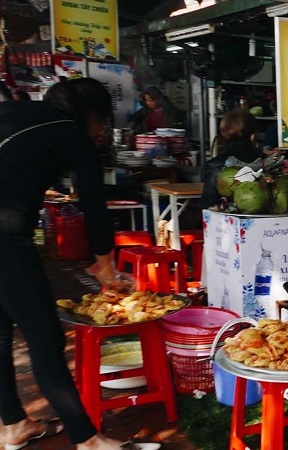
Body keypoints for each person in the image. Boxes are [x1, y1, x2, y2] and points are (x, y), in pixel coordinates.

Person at [0, 78, 158, 449]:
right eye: (104, 124)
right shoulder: (73, 135)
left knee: (1, 331)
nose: (103, 132)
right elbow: (95, 207)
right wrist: (105, 265)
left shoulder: (14, 111)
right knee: (46, 337)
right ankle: (89, 441)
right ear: (93, 116)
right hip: (5, 236)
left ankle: (12, 426)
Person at [199, 109, 262, 209]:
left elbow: (209, 204)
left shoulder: (214, 165)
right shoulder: (267, 164)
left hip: (226, 221)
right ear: (253, 136)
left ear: (224, 133)